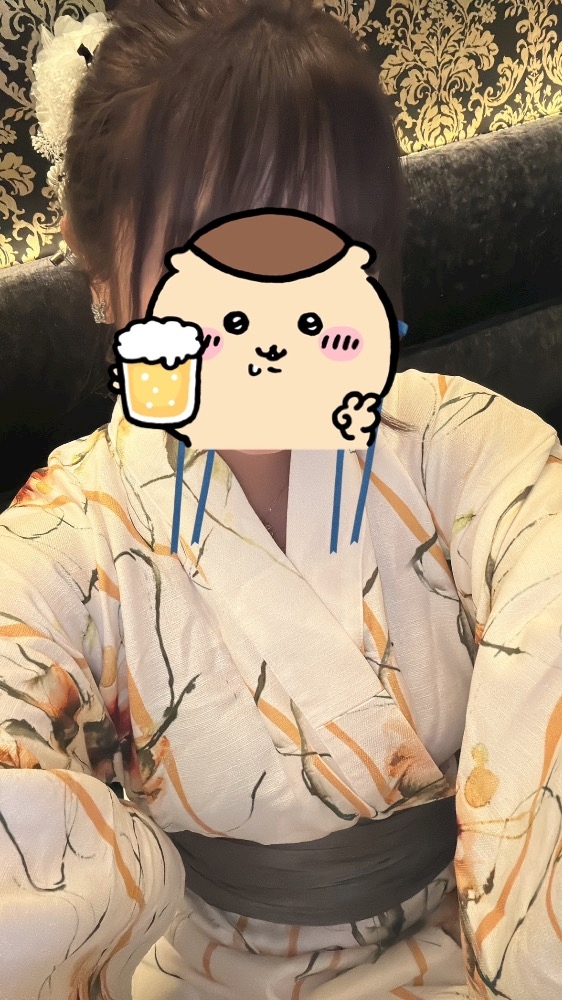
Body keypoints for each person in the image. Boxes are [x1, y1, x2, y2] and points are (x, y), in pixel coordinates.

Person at [0, 1, 561, 998]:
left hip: (470, 945)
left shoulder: (470, 453)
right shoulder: (69, 535)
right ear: (97, 265)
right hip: (210, 973)